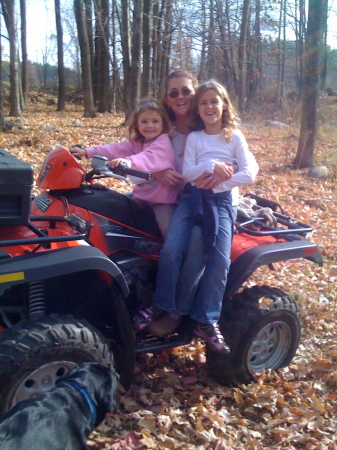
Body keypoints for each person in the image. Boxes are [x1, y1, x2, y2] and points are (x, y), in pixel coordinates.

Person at [135, 80, 259, 353]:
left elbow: (249, 172)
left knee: (219, 259)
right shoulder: (194, 137)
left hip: (222, 201)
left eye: (214, 101)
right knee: (171, 251)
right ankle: (162, 305)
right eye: (203, 102)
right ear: (197, 108)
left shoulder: (233, 136)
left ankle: (207, 319)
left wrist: (217, 182)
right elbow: (187, 171)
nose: (209, 106)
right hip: (191, 199)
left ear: (224, 104)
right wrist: (210, 166)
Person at [70, 99, 181, 239]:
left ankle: (168, 258)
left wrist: (127, 162)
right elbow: (115, 148)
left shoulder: (162, 143)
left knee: (168, 230)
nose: (150, 126)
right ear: (137, 124)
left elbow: (147, 158)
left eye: (155, 121)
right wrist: (87, 152)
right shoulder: (138, 142)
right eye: (144, 121)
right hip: (142, 197)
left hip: (162, 202)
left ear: (163, 124)